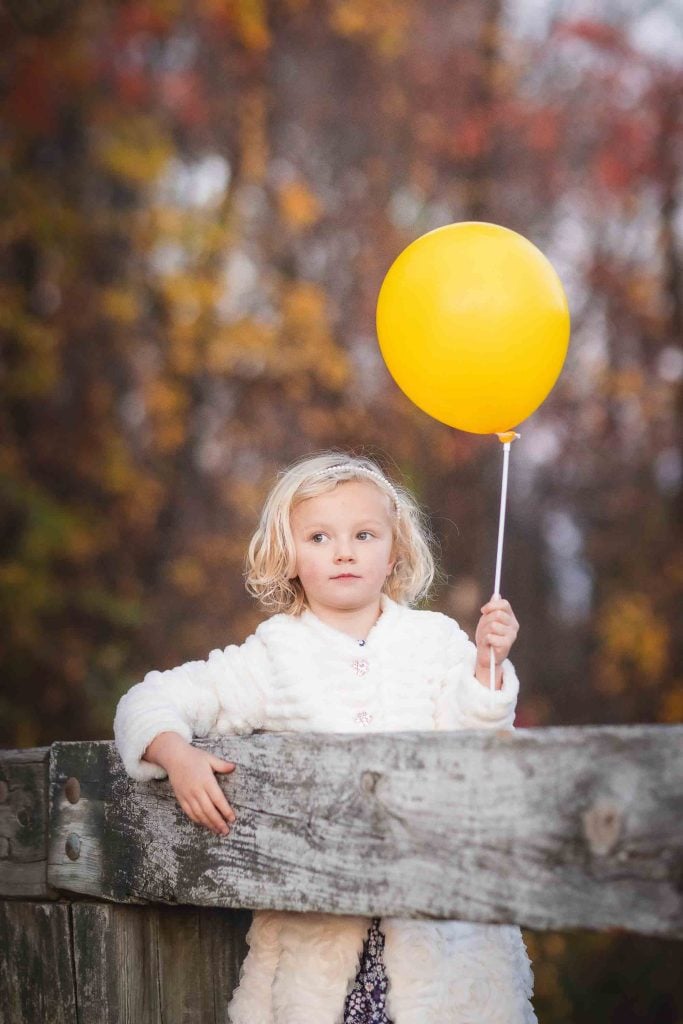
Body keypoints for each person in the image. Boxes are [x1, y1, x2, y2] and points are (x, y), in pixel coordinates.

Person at [113, 451, 537, 1024]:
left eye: (364, 534)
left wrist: (487, 667)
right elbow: (148, 700)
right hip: (317, 955)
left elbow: (479, 744)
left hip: (440, 943)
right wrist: (176, 753)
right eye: (318, 536)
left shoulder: (435, 643)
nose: (343, 551)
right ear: (288, 556)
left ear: (395, 553)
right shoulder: (273, 656)